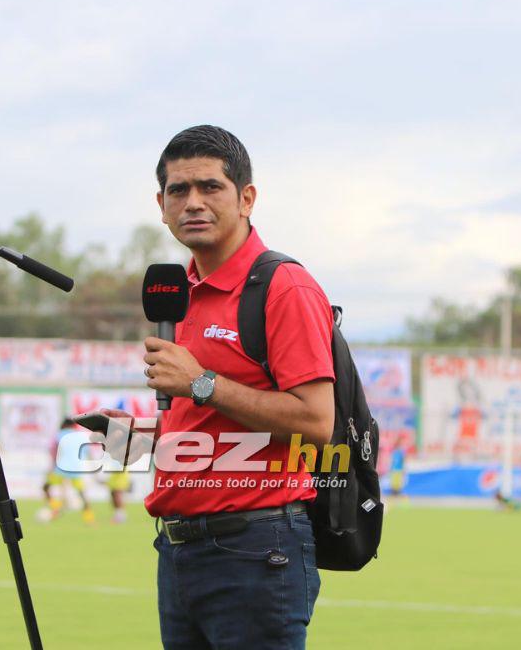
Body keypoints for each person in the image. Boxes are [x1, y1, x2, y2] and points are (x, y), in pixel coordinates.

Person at [104, 125, 334, 648]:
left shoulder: (283, 287)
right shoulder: (177, 292)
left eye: (211, 187)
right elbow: (202, 423)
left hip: (256, 548)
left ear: (246, 198)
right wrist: (132, 439)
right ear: (160, 205)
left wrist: (202, 383)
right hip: (180, 549)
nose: (193, 202)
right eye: (178, 191)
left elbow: (317, 423)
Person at [40, 418, 95, 525]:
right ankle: (89, 519)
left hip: (60, 469)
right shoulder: (80, 436)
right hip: (76, 469)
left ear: (63, 425)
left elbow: (54, 452)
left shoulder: (59, 435)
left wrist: (51, 468)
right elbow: (88, 452)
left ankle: (55, 508)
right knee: (82, 494)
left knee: (46, 487)